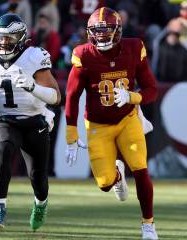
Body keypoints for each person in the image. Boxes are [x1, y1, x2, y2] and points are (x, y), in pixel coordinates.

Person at [0, 13, 61, 231]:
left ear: (22, 38)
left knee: (38, 178)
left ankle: (40, 203)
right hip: (6, 120)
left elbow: (56, 96)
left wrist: (33, 87)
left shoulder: (34, 57)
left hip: (35, 121)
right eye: (0, 37)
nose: (4, 42)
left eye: (10, 38)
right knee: (4, 149)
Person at [65, 7, 158, 239]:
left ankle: (148, 225)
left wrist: (133, 97)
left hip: (128, 119)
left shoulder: (134, 48)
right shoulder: (83, 54)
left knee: (140, 168)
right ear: (89, 33)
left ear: (117, 31)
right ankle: (117, 175)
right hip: (97, 125)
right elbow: (71, 95)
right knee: (104, 183)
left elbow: (152, 89)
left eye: (106, 31)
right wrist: (71, 134)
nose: (101, 36)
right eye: (97, 32)